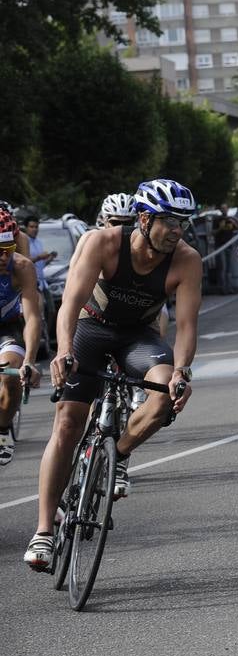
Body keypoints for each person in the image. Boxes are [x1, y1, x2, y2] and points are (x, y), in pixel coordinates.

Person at [24, 179, 202, 571]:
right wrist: (64, 351)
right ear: (143, 218)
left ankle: (117, 454)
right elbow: (69, 304)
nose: (177, 231)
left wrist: (182, 373)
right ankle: (44, 531)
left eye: (183, 223)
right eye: (170, 221)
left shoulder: (187, 260)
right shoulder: (101, 242)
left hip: (138, 336)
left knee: (162, 398)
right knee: (69, 423)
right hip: (91, 327)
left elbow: (187, 325)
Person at [0, 210, 44, 466]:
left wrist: (29, 360)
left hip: (8, 327)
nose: (4, 256)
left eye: (9, 248)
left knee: (10, 374)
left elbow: (32, 317)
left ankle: (3, 428)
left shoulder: (22, 267)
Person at [22, 216, 57, 292]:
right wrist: (39, 257)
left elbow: (40, 265)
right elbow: (24, 262)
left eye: (36, 227)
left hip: (42, 283)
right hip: (31, 283)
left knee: (51, 303)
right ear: (26, 228)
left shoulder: (39, 242)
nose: (34, 229)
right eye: (31, 227)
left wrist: (50, 258)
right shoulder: (23, 242)